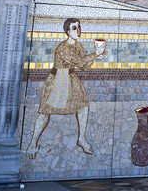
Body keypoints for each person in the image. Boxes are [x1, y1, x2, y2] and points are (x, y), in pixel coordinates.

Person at [26, 18, 106, 159]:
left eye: (79, 27)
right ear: (67, 31)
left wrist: (95, 58)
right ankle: (33, 143)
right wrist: (95, 55)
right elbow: (80, 61)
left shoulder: (79, 46)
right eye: (74, 28)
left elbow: (84, 66)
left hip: (71, 78)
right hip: (57, 80)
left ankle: (81, 139)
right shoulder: (63, 48)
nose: (78, 30)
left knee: (83, 106)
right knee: (45, 112)